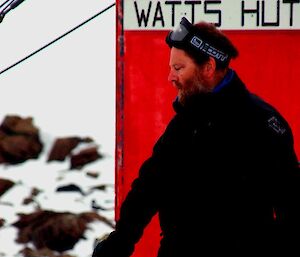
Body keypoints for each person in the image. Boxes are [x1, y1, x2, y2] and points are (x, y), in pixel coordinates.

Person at [92, 17, 300, 257]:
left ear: (208, 67)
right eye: (171, 68)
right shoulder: (185, 123)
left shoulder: (264, 124)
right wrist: (120, 242)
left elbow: (291, 207)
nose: (170, 77)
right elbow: (149, 187)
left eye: (178, 68)